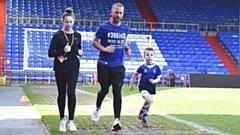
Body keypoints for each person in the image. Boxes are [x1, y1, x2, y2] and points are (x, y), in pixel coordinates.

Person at [91, 2, 131, 132]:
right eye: (116, 12)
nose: (118, 15)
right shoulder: (104, 27)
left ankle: (116, 120)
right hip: (104, 65)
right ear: (111, 12)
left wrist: (126, 47)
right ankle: (98, 107)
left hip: (118, 65)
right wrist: (104, 48)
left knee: (117, 92)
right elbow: (94, 42)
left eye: (120, 13)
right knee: (104, 90)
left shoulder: (125, 28)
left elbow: (125, 39)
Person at [48, 7, 83, 132]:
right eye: (66, 22)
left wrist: (80, 52)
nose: (69, 24)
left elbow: (78, 49)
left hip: (73, 67)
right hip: (61, 67)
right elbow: (50, 53)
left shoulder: (78, 35)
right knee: (62, 93)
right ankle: (62, 119)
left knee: (71, 92)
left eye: (71, 22)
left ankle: (71, 121)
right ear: (62, 21)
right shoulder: (58, 35)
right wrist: (63, 50)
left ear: (74, 21)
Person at [129, 47, 161, 127]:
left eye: (151, 55)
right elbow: (135, 74)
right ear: (144, 56)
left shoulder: (156, 68)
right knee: (148, 100)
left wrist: (154, 81)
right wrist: (131, 84)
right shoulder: (142, 67)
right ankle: (141, 111)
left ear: (154, 56)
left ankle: (144, 120)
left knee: (149, 104)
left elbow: (158, 78)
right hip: (143, 87)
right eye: (147, 55)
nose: (149, 56)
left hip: (152, 89)